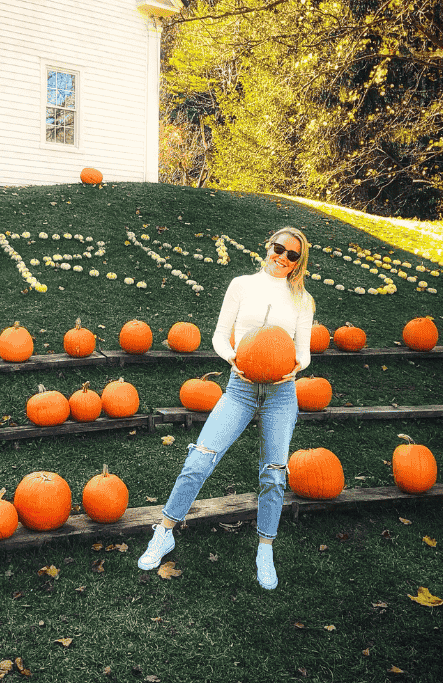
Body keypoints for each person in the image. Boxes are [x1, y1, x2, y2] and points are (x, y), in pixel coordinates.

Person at [137, 227, 315, 590]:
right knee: (199, 459)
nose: (282, 257)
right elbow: (220, 335)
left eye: (292, 254)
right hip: (240, 388)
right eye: (279, 248)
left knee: (274, 474)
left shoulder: (302, 301)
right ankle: (165, 531)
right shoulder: (241, 285)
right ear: (268, 247)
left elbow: (305, 352)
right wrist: (233, 358)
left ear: (299, 262)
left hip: (281, 393)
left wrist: (295, 366)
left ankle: (265, 547)